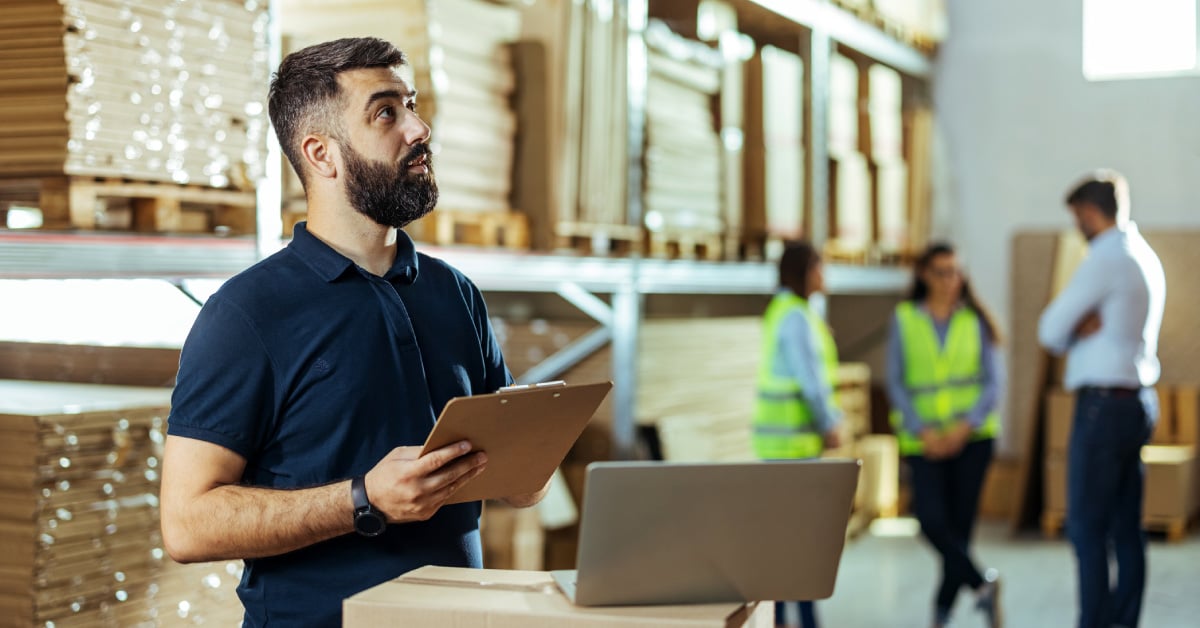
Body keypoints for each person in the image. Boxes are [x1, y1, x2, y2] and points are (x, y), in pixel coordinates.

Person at [159, 37, 548, 627]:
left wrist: (531, 446)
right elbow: (187, 524)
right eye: (386, 112)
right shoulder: (247, 313)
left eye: (412, 104)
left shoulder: (454, 292)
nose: (419, 129)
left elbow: (518, 488)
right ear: (321, 154)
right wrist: (363, 500)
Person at [1038, 170, 1165, 628]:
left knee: (1087, 529)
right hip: (1137, 402)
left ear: (1090, 213)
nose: (1077, 228)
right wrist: (1081, 324)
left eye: (1077, 218)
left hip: (1102, 408)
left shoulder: (1104, 259)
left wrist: (1073, 327)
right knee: (1126, 529)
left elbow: (1049, 330)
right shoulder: (1143, 255)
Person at [886, 242, 1003, 628]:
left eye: (955, 271)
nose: (949, 280)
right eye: (941, 272)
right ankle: (982, 585)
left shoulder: (975, 321)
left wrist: (963, 427)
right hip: (924, 441)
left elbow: (991, 383)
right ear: (924, 275)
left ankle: (940, 615)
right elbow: (896, 382)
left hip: (972, 440)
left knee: (960, 532)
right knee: (932, 521)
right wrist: (924, 431)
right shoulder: (905, 319)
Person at [752, 241, 843, 628]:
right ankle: (799, 621)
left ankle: (788, 618)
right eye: (820, 267)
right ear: (805, 271)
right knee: (802, 544)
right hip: (793, 446)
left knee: (789, 541)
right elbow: (811, 381)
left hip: (781, 445)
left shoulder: (788, 310)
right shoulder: (796, 317)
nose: (825, 275)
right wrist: (830, 422)